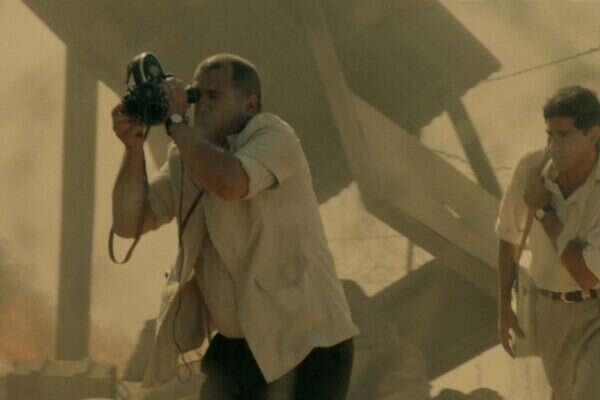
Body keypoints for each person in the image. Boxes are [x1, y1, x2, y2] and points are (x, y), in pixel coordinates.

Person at [111, 53, 358, 399]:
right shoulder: (187, 157)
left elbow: (229, 183)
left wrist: (177, 122)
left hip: (307, 345)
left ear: (250, 105)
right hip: (239, 349)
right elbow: (128, 223)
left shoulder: (274, 137)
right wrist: (133, 148)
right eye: (197, 95)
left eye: (214, 96)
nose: (201, 106)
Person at [496, 86, 600, 400]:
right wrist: (504, 305)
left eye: (565, 136)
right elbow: (508, 236)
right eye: (550, 135)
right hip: (549, 313)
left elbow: (585, 274)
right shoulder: (532, 169)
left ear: (594, 134)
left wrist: (543, 211)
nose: (554, 146)